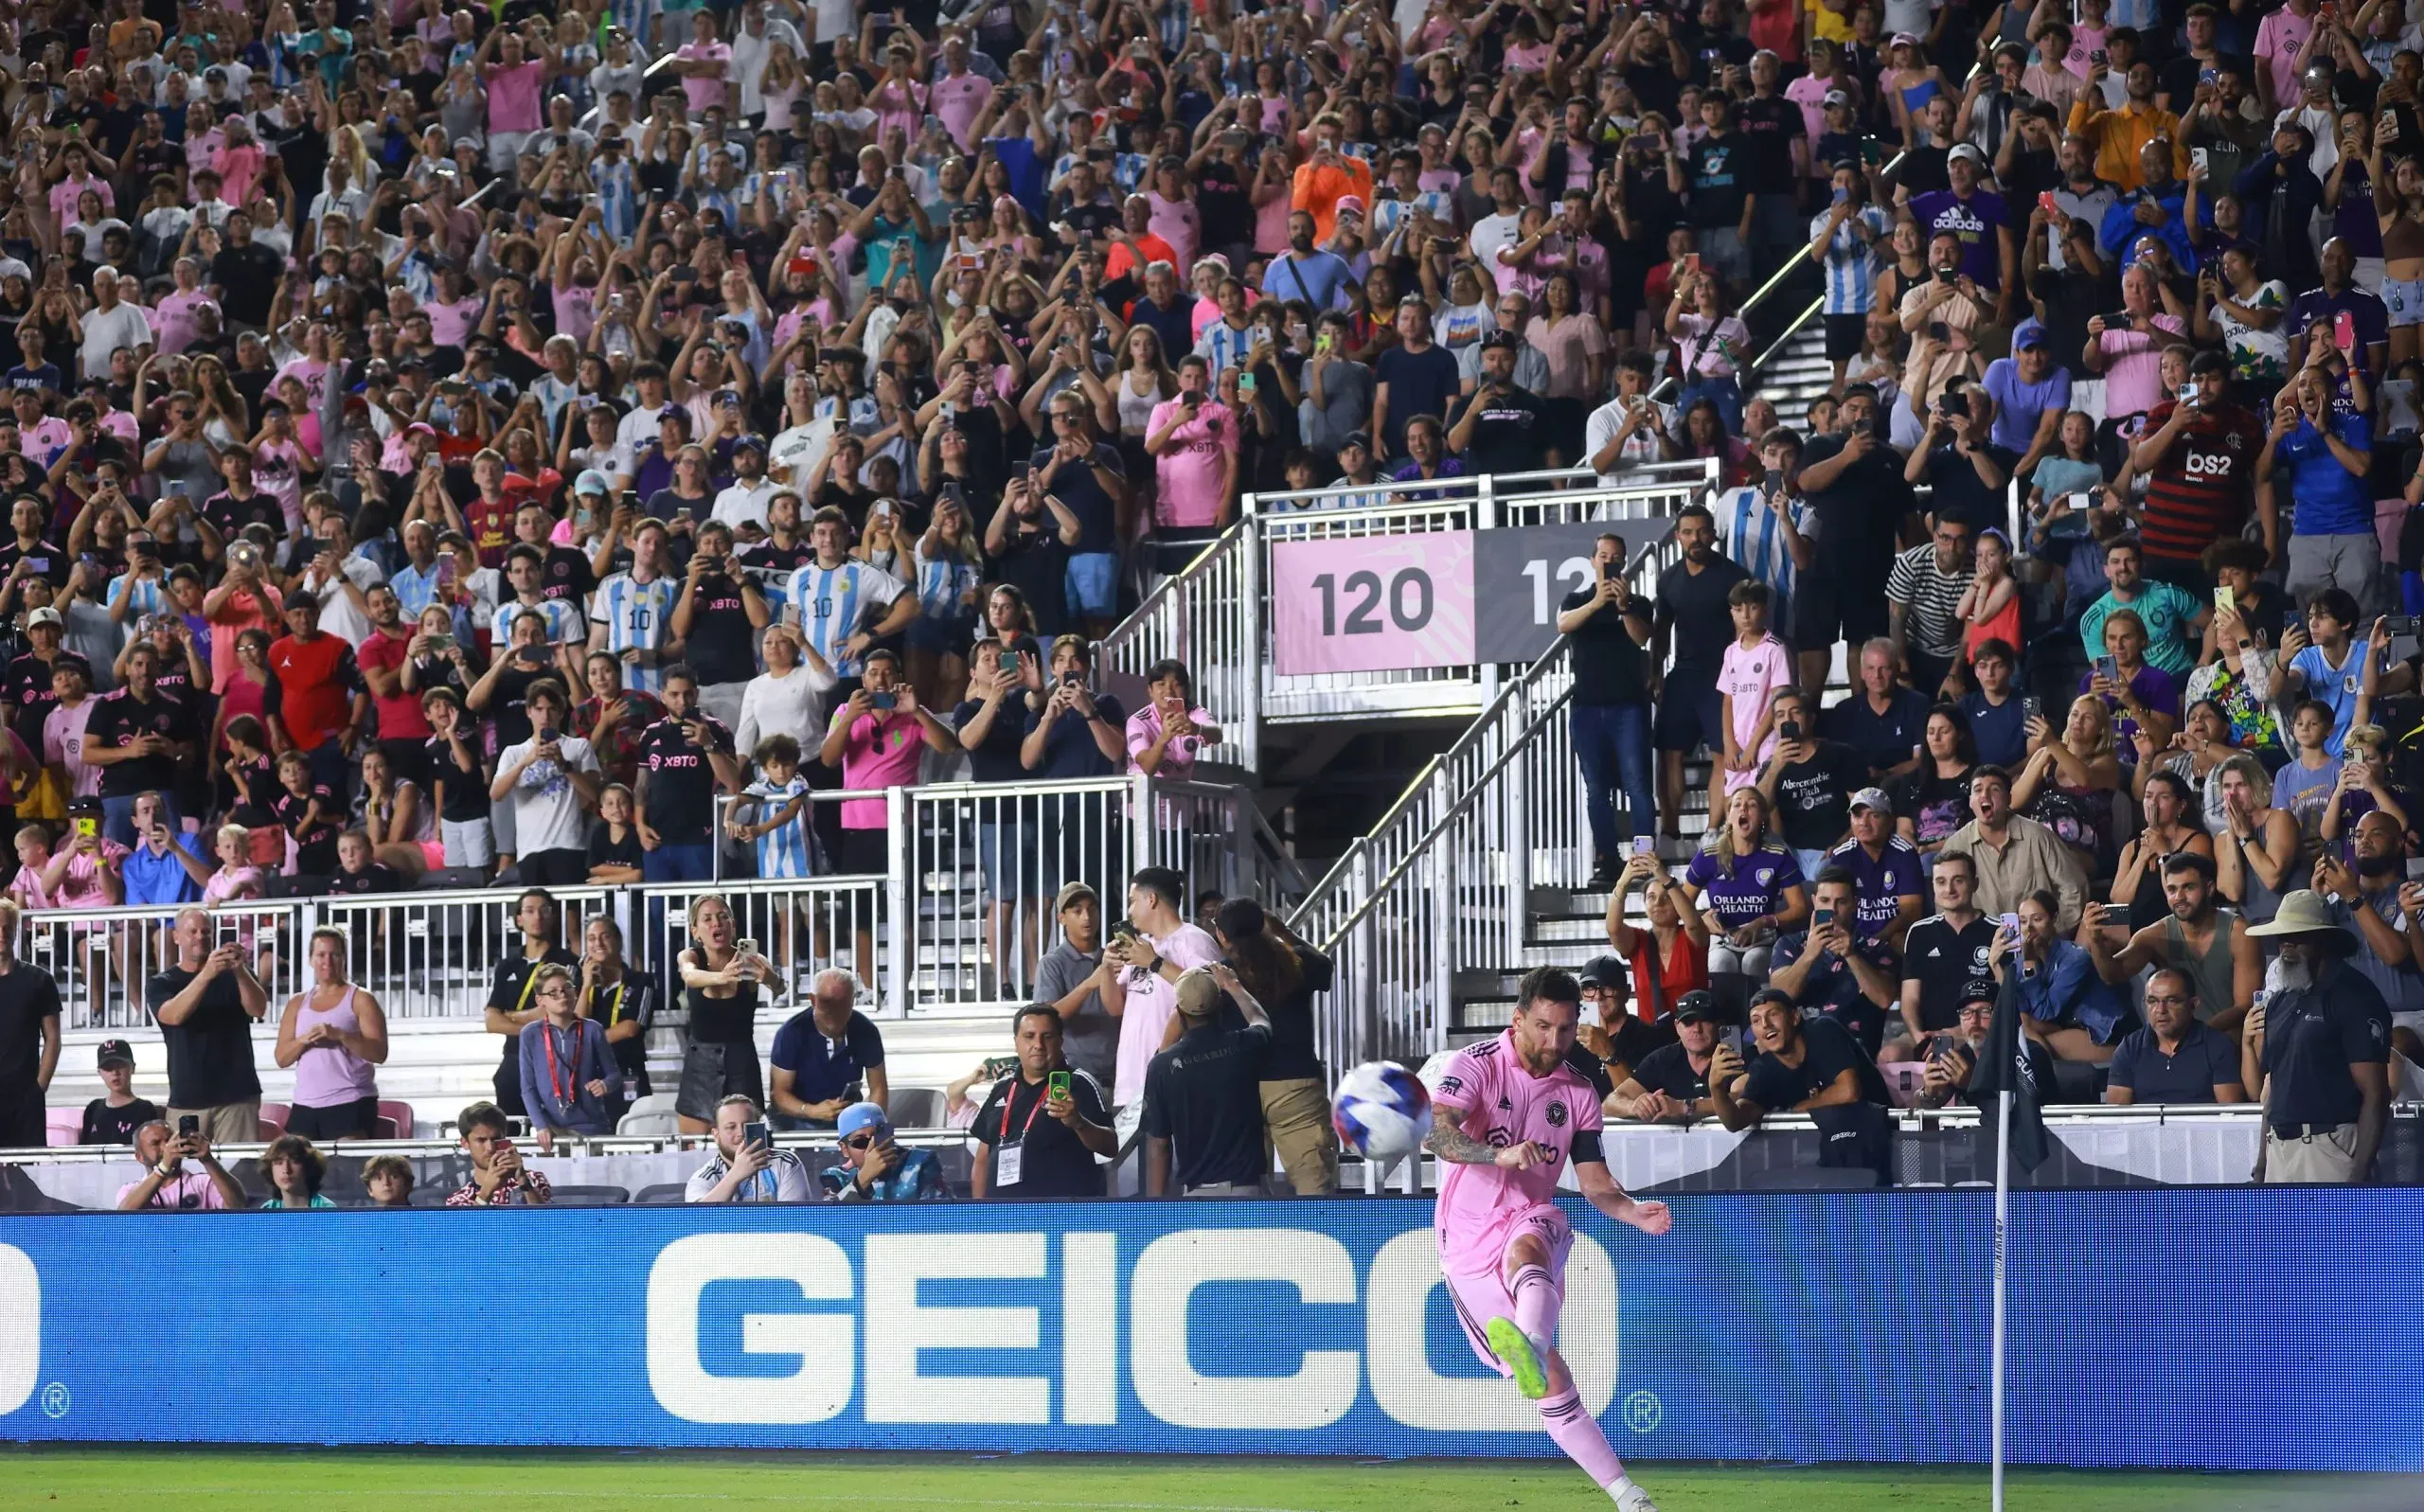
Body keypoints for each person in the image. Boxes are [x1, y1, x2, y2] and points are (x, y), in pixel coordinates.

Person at [1420, 965, 1671, 1512]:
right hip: (1465, 1238)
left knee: (1533, 1244)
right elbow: (1436, 1133)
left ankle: (1531, 1344)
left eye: (1565, 1029)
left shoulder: (1579, 1092)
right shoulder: (1476, 1064)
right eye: (1543, 1027)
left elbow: (1594, 1181)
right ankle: (1624, 1492)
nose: (1555, 1042)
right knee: (1554, 1382)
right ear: (1518, 1019)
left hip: (1529, 1212)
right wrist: (1498, 1154)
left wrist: (1630, 1210)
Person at [2244, 890, 2393, 1183]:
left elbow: (2376, 1093)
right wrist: (2261, 1166)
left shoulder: (2354, 996)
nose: (2286, 946)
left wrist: (2358, 1175)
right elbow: (2272, 1090)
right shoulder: (2279, 1002)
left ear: (2323, 940)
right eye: (2282, 938)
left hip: (2330, 1147)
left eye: (2297, 937)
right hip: (2279, 1149)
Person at [1214, 898, 1339, 1197]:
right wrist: (1284, 932)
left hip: (1241, 1088)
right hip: (1297, 1087)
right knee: (1314, 1186)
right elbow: (1324, 964)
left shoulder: (1221, 976)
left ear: (1222, 936)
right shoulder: (1295, 962)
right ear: (1264, 925)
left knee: (1248, 1191)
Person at [1558, 532, 1657, 888]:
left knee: (1637, 785)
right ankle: (1607, 858)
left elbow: (1641, 637)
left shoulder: (1638, 602)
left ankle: (1644, 857)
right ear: (1592, 560)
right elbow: (1563, 623)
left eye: (1616, 557)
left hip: (1628, 707)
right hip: (1586, 708)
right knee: (1595, 789)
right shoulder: (1577, 599)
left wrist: (1623, 606)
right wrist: (1597, 602)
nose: (1609, 562)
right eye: (1603, 556)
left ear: (1625, 562)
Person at [1649, 506, 1748, 851]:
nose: (1696, 539)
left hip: (1722, 676)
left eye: (1702, 531)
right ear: (1678, 536)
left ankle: (1713, 829)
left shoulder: (1733, 576)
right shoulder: (1668, 580)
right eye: (1688, 532)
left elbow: (1744, 628)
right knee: (1669, 752)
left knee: (1723, 754)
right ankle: (1670, 831)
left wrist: (1741, 677)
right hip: (1683, 674)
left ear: (1713, 535)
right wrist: (1655, 672)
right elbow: (1661, 630)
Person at [1141, 965, 1273, 1198]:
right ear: (1220, 1005)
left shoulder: (1161, 1066)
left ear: (1179, 1011)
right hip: (1246, 1192)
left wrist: (1155, 1207)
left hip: (1196, 1198)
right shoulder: (1246, 1045)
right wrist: (1233, 985)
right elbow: (1260, 1020)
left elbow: (1159, 1146)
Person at [145, 906, 268, 1143]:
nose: (200, 937)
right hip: (188, 1099)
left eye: (206, 932)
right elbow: (173, 1016)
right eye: (192, 932)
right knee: (186, 1165)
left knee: (239, 1165)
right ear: (176, 937)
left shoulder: (235, 975)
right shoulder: (162, 983)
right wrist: (206, 975)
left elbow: (258, 1009)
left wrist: (241, 971)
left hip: (238, 1096)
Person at [969, 1004, 1116, 1199]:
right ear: (1016, 1042)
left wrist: (1079, 1123)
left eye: (1047, 1036)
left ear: (1060, 1041)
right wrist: (979, 1211)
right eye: (1029, 1036)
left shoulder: (1081, 1083)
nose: (1038, 1044)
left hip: (1061, 1213)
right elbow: (982, 1159)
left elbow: (1111, 1147)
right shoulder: (1002, 1088)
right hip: (1004, 1213)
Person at [676, 893, 782, 1134]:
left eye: (723, 917)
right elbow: (689, 976)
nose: (717, 923)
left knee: (749, 1142)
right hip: (700, 1067)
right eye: (708, 919)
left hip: (741, 1064)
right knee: (693, 1148)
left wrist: (770, 978)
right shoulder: (691, 956)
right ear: (695, 931)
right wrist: (722, 977)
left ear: (733, 926)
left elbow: (780, 987)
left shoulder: (752, 959)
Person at [1769, 869, 1902, 1055]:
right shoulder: (1789, 945)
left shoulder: (1877, 948)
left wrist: (1851, 955)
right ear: (1814, 901)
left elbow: (1884, 999)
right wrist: (1809, 954)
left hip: (1855, 1050)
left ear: (1855, 904)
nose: (1832, 910)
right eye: (1824, 901)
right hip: (1800, 1052)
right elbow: (1779, 997)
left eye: (1841, 902)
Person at [272, 927, 388, 1141]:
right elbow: (281, 1058)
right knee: (296, 1159)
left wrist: (341, 1035)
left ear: (343, 958)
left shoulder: (361, 999)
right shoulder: (297, 1002)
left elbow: (379, 1053)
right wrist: (304, 1040)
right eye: (321, 955)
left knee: (346, 1160)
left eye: (334, 954)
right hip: (305, 1103)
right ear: (311, 959)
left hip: (350, 1100)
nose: (327, 961)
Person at [1938, 766, 2092, 929]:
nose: (1984, 795)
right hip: (1981, 941)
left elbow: (2075, 889)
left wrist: (2051, 930)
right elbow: (1944, 904)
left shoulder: (2038, 836)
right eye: (1978, 790)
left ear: (2009, 799)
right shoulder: (1956, 845)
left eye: (1995, 789)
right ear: (1970, 801)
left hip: (2037, 938)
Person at [1990, 889, 2132, 1063]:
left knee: (2024, 1047)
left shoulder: (2075, 958)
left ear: (2054, 919)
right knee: (2019, 1027)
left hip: (2099, 1032)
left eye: (2037, 919)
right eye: (2023, 921)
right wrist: (1996, 966)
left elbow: (2045, 1013)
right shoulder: (2020, 962)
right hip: (2062, 1027)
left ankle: (2042, 1079)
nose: (2029, 928)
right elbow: (2015, 1010)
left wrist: (2029, 963)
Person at [488, 678, 603, 886]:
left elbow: (595, 794)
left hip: (569, 845)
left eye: (551, 709)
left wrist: (564, 766)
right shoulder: (514, 753)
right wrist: (525, 762)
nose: (545, 716)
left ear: (561, 712)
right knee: (536, 905)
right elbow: (496, 794)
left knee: (569, 905)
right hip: (529, 848)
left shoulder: (579, 747)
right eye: (539, 709)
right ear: (529, 712)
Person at [1684, 788, 1809, 979]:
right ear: (1729, 817)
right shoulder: (1709, 856)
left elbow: (1799, 908)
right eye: (1737, 804)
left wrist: (1764, 921)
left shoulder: (1777, 855)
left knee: (1754, 961)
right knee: (1720, 962)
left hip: (1763, 937)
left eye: (1751, 805)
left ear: (1762, 818)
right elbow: (1681, 903)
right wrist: (1702, 920)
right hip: (1721, 938)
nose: (1743, 808)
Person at [483, 889, 576, 1119]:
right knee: (511, 1128)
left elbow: (555, 1013)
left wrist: (511, 1015)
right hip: (515, 1058)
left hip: (555, 1057)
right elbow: (492, 1021)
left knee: (559, 1130)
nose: (538, 917)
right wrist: (532, 1019)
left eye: (544, 910)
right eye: (530, 911)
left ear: (553, 917)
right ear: (519, 919)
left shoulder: (567, 962)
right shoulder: (507, 965)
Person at [2105, 967, 2249, 1104]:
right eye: (2152, 1001)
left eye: (2171, 1001)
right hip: (2147, 1123)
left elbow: (2230, 1113)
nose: (2161, 1010)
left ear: (2193, 1004)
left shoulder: (2219, 1046)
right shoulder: (2129, 1048)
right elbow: (2117, 1116)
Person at [768, 969, 889, 1130]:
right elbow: (778, 1094)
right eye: (827, 1003)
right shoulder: (791, 1033)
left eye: (842, 1003)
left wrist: (871, 1126)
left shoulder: (866, 1030)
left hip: (846, 1117)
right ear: (813, 1000)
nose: (835, 1011)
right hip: (797, 1118)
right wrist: (812, 1111)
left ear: (853, 1000)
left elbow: (879, 1088)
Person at [1910, 981, 2061, 1110]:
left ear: (2003, 1016)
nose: (1974, 1021)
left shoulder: (2029, 1054)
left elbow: (2022, 1116)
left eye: (1984, 1012)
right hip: (1977, 1135)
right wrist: (1929, 1093)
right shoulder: (1962, 1057)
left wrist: (1972, 1084)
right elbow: (1921, 1108)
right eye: (1966, 1012)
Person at [517, 962, 620, 1148]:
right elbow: (528, 1087)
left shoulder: (592, 1029)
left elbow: (614, 1075)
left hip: (592, 1127)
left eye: (567, 988)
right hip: (552, 1130)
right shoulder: (530, 1034)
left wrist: (604, 1084)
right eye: (553, 992)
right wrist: (540, 1125)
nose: (562, 995)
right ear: (540, 1000)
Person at [1034, 881, 1117, 1088]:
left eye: (1092, 909)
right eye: (1077, 911)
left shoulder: (1112, 956)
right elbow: (1046, 1018)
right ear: (1061, 918)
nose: (1087, 917)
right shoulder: (1052, 963)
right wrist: (1089, 984)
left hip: (1118, 1074)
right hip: (1074, 1077)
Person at [1826, 789, 1927, 950]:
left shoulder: (1905, 853)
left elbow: (1911, 912)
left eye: (1874, 815)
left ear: (1890, 821)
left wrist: (1875, 941)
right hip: (1851, 938)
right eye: (1857, 816)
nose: (1864, 823)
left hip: (1891, 936)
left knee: (1904, 942)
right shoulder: (1841, 856)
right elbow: (1827, 907)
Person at [1602, 990, 1723, 1124]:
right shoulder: (1662, 1059)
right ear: (1677, 1027)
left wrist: (1683, 1107)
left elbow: (1739, 1101)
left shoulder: (1732, 1057)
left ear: (1718, 1025)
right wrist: (1634, 1107)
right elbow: (1610, 1102)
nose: (1697, 1029)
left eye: (1705, 1021)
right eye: (1688, 1022)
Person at [1825, 639, 1933, 784]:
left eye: (1885, 668)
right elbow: (1836, 762)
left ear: (1897, 670)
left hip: (1906, 787)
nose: (1877, 675)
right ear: (1862, 672)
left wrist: (1885, 774)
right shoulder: (1844, 711)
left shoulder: (1918, 705)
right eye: (1871, 668)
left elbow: (1921, 761)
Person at [0, 896, 60, 1147]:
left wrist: (39, 1088)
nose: (2, 934)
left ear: (16, 930)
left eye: (7, 927)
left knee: (27, 1168)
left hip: (25, 1097)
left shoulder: (39, 980)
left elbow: (53, 1039)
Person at [686, 1094, 816, 1202]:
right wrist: (736, 1174)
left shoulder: (785, 1163)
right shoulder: (704, 1177)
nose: (740, 1133)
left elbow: (794, 1219)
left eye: (747, 1125)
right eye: (731, 1127)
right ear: (716, 1134)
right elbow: (696, 1219)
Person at [822, 1099, 945, 1201]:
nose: (872, 1148)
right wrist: (863, 1179)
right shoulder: (836, 1176)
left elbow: (939, 1215)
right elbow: (829, 1219)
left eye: (878, 1138)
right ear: (844, 1149)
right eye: (861, 1142)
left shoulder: (921, 1162)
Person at [114, 1119, 244, 1210]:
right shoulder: (130, 1190)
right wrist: (163, 1168)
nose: (166, 1147)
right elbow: (124, 1215)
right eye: (155, 1143)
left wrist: (208, 1160)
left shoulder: (203, 1182)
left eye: (169, 1140)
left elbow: (238, 1206)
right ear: (139, 1157)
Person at [445, 1100, 554, 1206]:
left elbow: (546, 1218)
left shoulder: (534, 1179)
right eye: (481, 1140)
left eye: (495, 1139)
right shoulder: (459, 1200)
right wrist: (485, 1193)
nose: (490, 1148)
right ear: (465, 1143)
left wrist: (523, 1181)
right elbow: (466, 1220)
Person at [79, 1038, 159, 1146]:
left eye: (120, 1066)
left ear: (132, 1068)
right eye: (108, 1068)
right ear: (100, 1072)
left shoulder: (145, 1109)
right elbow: (84, 1148)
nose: (115, 1072)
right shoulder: (93, 1109)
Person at [259, 1134, 335, 1209]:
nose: (286, 1170)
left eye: (294, 1161)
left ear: (309, 1166)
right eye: (279, 1163)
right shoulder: (267, 1209)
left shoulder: (327, 1210)